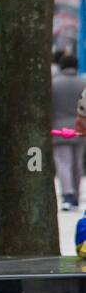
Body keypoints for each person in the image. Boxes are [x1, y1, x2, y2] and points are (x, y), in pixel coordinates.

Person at [51, 57, 86, 210]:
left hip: (59, 128)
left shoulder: (54, 84)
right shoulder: (82, 84)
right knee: (78, 163)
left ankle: (67, 195)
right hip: (80, 129)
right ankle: (77, 196)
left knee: (63, 162)